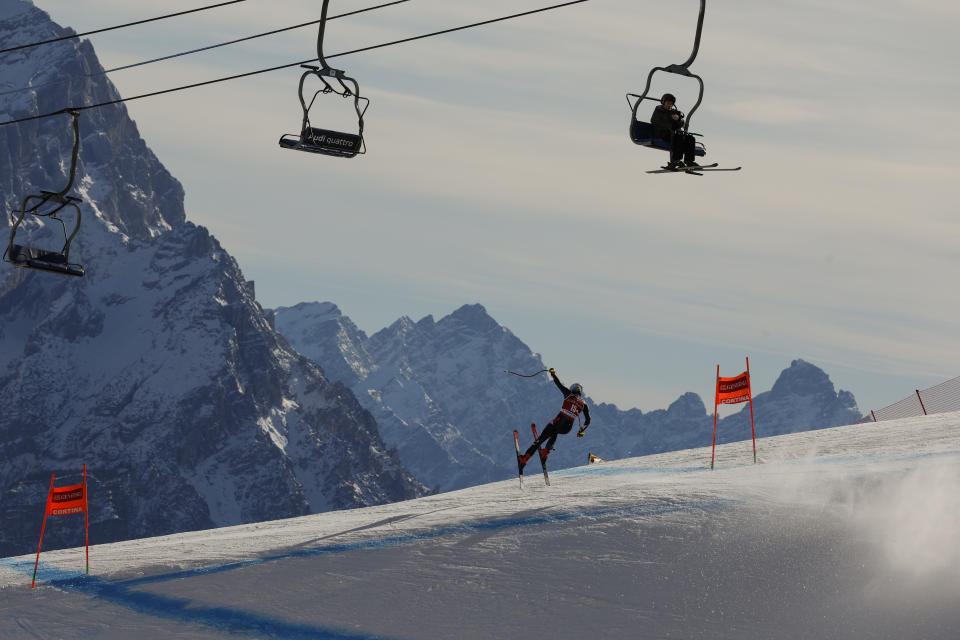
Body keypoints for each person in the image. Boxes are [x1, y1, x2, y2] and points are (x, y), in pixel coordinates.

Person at [519, 368, 591, 468]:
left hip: (559, 422)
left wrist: (553, 374)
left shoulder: (568, 394)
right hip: (567, 428)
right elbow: (588, 420)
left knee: (540, 440)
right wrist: (581, 430)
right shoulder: (584, 404)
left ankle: (524, 458)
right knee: (555, 432)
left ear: (572, 389)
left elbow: (558, 384)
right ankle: (546, 451)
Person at [650, 93, 698, 169]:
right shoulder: (659, 110)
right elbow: (655, 121)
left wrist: (678, 119)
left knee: (690, 138)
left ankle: (689, 161)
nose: (670, 104)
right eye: (668, 102)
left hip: (672, 134)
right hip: (662, 134)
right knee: (678, 138)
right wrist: (672, 121)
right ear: (663, 102)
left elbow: (681, 124)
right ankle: (675, 160)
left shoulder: (673, 112)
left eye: (671, 103)